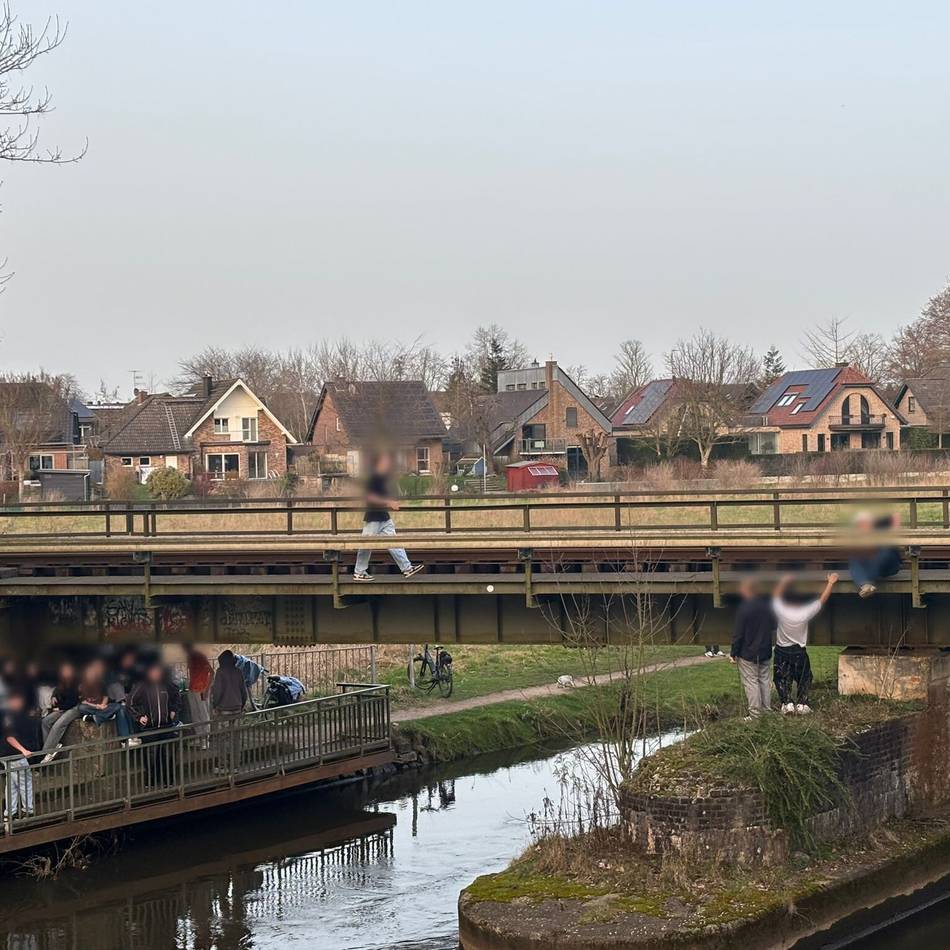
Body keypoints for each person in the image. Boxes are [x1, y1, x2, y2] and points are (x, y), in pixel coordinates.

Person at [772, 572, 838, 715]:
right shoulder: (805, 613)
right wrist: (831, 582)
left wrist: (783, 581)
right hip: (799, 651)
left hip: (781, 650)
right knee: (804, 677)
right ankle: (802, 703)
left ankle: (787, 703)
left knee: (782, 678)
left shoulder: (781, 611)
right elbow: (822, 600)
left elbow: (776, 596)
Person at [353, 451, 424, 581]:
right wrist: (389, 502)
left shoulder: (382, 478)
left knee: (394, 542)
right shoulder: (373, 477)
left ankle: (407, 568)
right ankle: (359, 572)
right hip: (373, 516)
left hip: (383, 516)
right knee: (366, 544)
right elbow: (370, 497)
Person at [129, 661, 181, 786]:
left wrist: (173, 710)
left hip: (166, 725)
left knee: (167, 754)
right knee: (150, 755)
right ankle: (151, 781)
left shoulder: (167, 684)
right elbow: (130, 701)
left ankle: (168, 780)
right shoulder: (142, 685)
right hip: (149, 728)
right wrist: (139, 716)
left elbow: (177, 696)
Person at [730, 577, 776, 716]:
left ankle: (755, 715)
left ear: (747, 590)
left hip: (748, 652)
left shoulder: (744, 608)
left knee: (751, 683)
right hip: (765, 650)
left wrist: (733, 653)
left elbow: (738, 634)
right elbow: (775, 625)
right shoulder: (768, 606)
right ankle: (766, 711)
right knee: (764, 680)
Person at [211, 651, 250, 773]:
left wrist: (215, 705)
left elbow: (218, 692)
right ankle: (235, 766)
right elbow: (244, 692)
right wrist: (241, 704)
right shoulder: (238, 671)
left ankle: (223, 766)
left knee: (223, 739)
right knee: (236, 739)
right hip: (237, 709)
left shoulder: (220, 672)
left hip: (224, 711)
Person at [849, 511, 902, 599]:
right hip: (871, 565)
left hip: (889, 565)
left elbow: (895, 518)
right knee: (854, 557)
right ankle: (865, 585)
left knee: (883, 552)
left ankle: (866, 581)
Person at [3, 691, 37, 819]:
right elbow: (10, 737)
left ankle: (10, 812)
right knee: (25, 783)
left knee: (11, 786)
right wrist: (23, 750)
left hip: (6, 755)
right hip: (16, 755)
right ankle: (28, 810)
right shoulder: (13, 717)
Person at [41, 661, 80, 743]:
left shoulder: (76, 683)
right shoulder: (62, 682)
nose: (65, 672)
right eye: (63, 670)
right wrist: (53, 696)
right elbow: (56, 691)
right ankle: (50, 746)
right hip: (62, 708)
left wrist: (59, 708)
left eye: (67, 670)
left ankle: (48, 752)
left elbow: (73, 701)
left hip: (73, 708)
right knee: (45, 722)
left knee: (58, 725)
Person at [185, 645, 214, 740]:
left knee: (203, 714)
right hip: (192, 688)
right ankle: (199, 736)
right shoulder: (190, 658)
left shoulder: (201, 657)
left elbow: (212, 672)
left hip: (201, 689)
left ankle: (206, 738)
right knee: (195, 714)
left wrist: (207, 689)